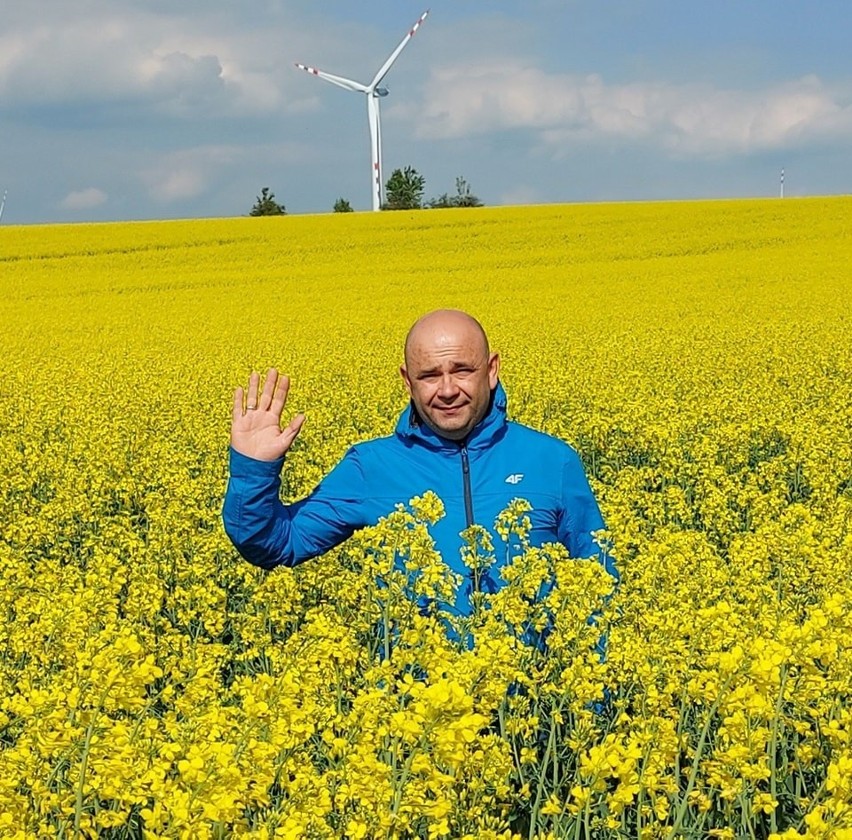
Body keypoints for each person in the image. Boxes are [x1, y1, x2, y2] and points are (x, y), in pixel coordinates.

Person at [222, 309, 618, 616]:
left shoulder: (552, 460)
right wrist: (253, 470)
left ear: (492, 371)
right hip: (418, 713)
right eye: (429, 376)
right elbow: (276, 544)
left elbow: (599, 579)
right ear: (407, 381)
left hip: (533, 709)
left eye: (462, 370)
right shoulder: (370, 467)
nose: (447, 390)